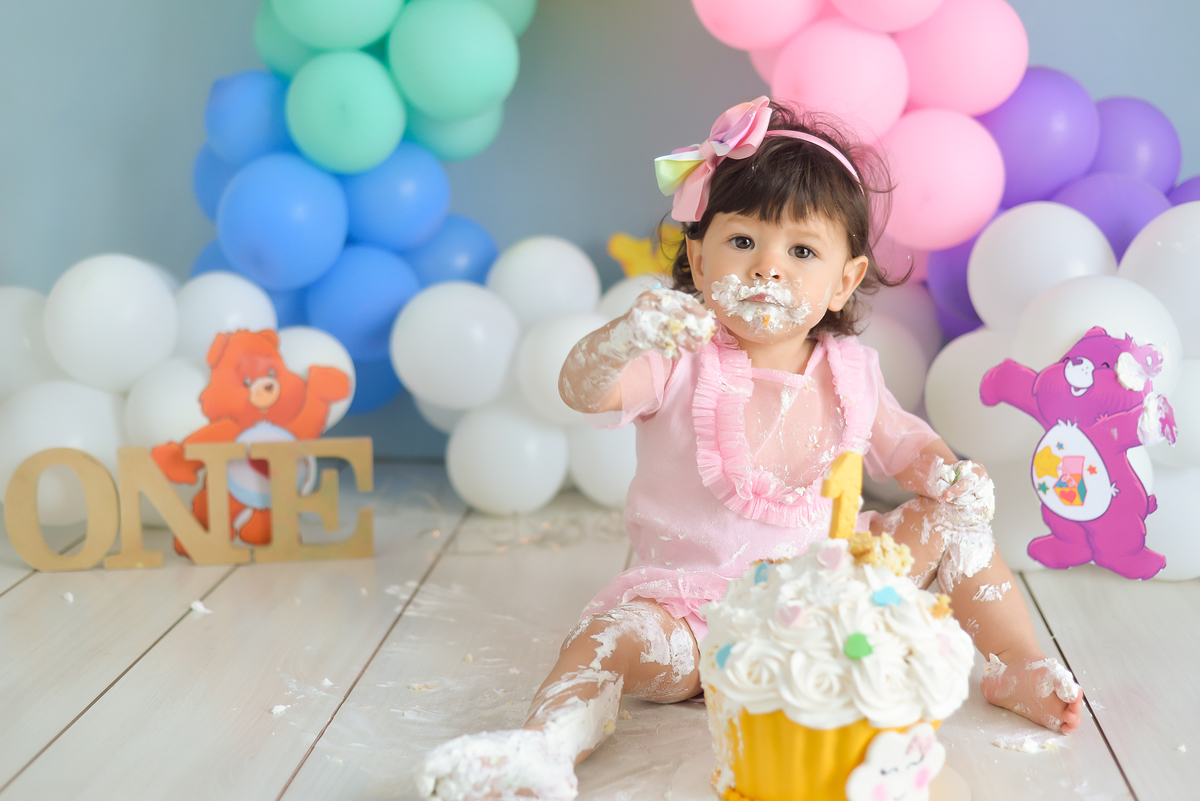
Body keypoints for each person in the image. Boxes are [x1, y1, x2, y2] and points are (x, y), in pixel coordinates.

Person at [418, 97, 1083, 801]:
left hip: (831, 607)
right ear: (698, 261)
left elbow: (905, 445)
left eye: (802, 251)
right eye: (742, 242)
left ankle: (1015, 661)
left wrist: (946, 474)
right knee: (609, 635)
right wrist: (624, 338)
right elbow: (582, 390)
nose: (768, 267)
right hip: (698, 620)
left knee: (950, 518)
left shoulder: (852, 371)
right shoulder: (676, 358)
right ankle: (546, 745)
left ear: (844, 281)